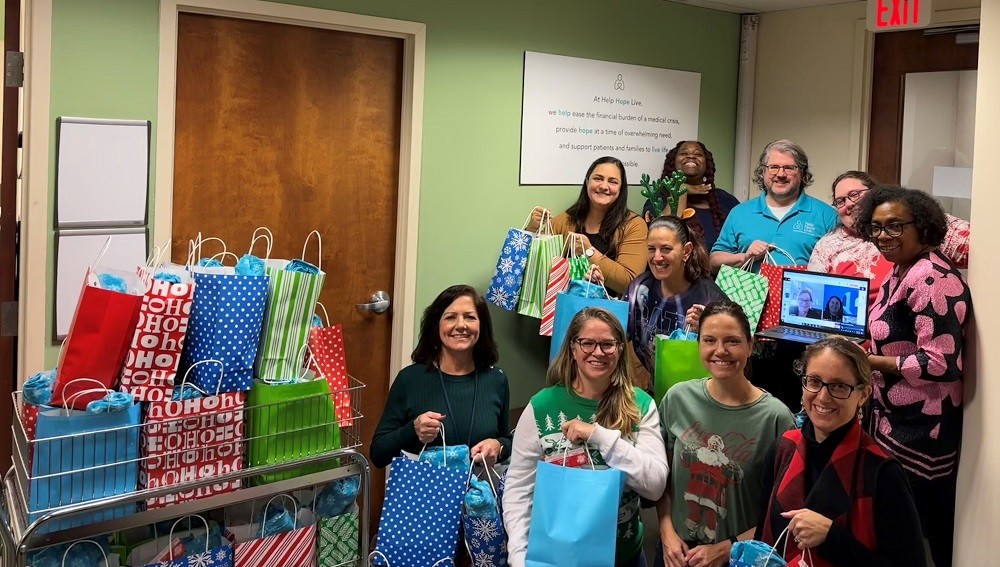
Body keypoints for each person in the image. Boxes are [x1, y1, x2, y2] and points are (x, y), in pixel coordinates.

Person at [854, 185, 971, 567]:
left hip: (924, 433)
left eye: (894, 226)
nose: (883, 236)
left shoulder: (933, 279)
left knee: (922, 537)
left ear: (922, 227)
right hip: (893, 422)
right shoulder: (902, 270)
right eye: (875, 227)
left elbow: (940, 364)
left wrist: (871, 362)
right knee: (895, 530)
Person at [503, 307, 668, 567]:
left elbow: (655, 484)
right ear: (572, 348)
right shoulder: (542, 406)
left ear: (620, 349)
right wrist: (519, 556)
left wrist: (599, 436)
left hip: (624, 558)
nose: (598, 352)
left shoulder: (641, 405)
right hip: (555, 557)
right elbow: (519, 490)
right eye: (587, 343)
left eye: (607, 344)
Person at [757, 337, 926, 566]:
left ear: (863, 394)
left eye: (839, 386)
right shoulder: (782, 449)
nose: (823, 397)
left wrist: (832, 538)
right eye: (814, 381)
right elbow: (761, 541)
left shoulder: (882, 472)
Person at [656, 301, 795, 567]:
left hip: (739, 557)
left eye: (732, 341)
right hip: (676, 552)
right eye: (709, 340)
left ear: (750, 345)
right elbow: (662, 479)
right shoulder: (677, 398)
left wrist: (729, 547)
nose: (720, 351)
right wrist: (666, 531)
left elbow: (781, 512)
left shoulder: (776, 418)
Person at [370, 284, 512, 469]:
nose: (461, 325)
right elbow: (378, 454)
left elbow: (506, 440)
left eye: (470, 317)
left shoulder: (496, 379)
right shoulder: (410, 379)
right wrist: (412, 431)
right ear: (436, 325)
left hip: (479, 492)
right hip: (425, 494)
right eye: (450, 317)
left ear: (481, 325)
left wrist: (498, 446)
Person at [808, 171, 971, 304]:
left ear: (875, 194)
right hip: (848, 335)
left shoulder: (917, 223)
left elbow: (980, 247)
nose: (849, 204)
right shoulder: (827, 245)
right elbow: (814, 296)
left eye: (855, 194)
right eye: (840, 201)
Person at [624, 215, 727, 380]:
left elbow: (732, 360)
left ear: (686, 251)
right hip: (647, 390)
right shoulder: (639, 288)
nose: (657, 257)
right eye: (651, 249)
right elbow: (616, 336)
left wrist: (706, 331)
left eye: (666, 249)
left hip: (693, 393)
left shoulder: (710, 298)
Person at [710, 140, 837, 272]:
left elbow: (839, 267)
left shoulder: (826, 216)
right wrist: (744, 257)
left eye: (789, 168)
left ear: (802, 173)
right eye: (774, 167)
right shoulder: (739, 213)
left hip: (805, 293)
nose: (781, 174)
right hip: (749, 292)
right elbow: (713, 263)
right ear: (763, 172)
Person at [528, 156, 648, 295]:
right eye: (598, 178)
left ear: (621, 189)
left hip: (607, 313)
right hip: (565, 309)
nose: (603, 186)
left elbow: (629, 282)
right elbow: (536, 265)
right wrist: (532, 229)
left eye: (613, 182)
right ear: (587, 182)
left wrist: (589, 251)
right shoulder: (567, 220)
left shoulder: (634, 225)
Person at [642, 141, 740, 251]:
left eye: (698, 154)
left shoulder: (724, 199)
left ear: (707, 164)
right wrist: (681, 189)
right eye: (684, 153)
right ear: (673, 163)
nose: (691, 156)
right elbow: (665, 235)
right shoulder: (658, 200)